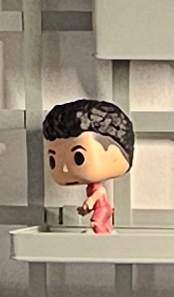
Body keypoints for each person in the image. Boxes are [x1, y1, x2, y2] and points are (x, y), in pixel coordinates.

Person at [41, 97, 132, 236]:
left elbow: (100, 192)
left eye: (79, 157)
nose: (64, 169)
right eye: (53, 160)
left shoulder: (97, 188)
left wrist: (89, 202)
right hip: (102, 208)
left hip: (103, 208)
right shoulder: (92, 186)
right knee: (103, 225)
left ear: (113, 154)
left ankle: (105, 241)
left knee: (97, 223)